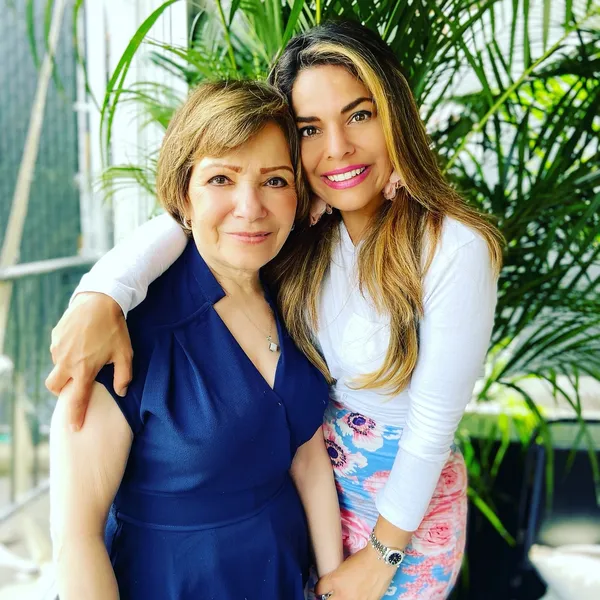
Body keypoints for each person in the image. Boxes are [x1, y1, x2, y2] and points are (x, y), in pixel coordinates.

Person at [47, 21, 503, 600]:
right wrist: (103, 291)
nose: (336, 146)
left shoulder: (451, 247)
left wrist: (382, 556)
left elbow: (432, 425)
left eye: (360, 115)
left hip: (400, 516)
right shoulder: (307, 238)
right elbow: (190, 217)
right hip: (310, 515)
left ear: (395, 117)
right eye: (311, 128)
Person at [49, 80, 343, 600]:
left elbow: (304, 450)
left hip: (285, 576)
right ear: (184, 193)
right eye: (221, 178)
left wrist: (333, 580)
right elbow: (76, 539)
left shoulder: (293, 292)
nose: (250, 207)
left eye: (275, 181)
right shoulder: (123, 332)